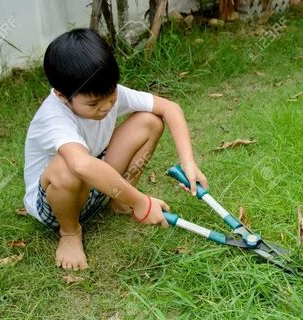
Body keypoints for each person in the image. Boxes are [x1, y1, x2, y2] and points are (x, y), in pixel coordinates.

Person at [23, 28, 208, 270]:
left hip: (96, 183)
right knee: (68, 167)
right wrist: (142, 202)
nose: (106, 107)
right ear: (61, 95)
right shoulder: (53, 116)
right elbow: (82, 165)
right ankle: (69, 233)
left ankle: (120, 202)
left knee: (149, 121)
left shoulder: (110, 93)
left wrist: (188, 162)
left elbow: (170, 108)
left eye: (110, 96)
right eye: (93, 103)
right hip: (56, 201)